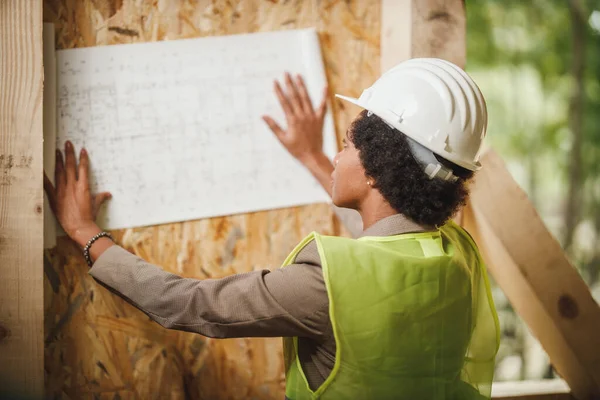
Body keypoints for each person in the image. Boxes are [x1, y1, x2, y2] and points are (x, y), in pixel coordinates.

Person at [44, 58, 499, 400]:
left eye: (344, 145)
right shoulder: (456, 255)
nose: (338, 157)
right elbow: (390, 226)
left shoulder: (326, 284)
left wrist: (86, 233)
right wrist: (310, 155)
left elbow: (191, 304)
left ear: (379, 168)